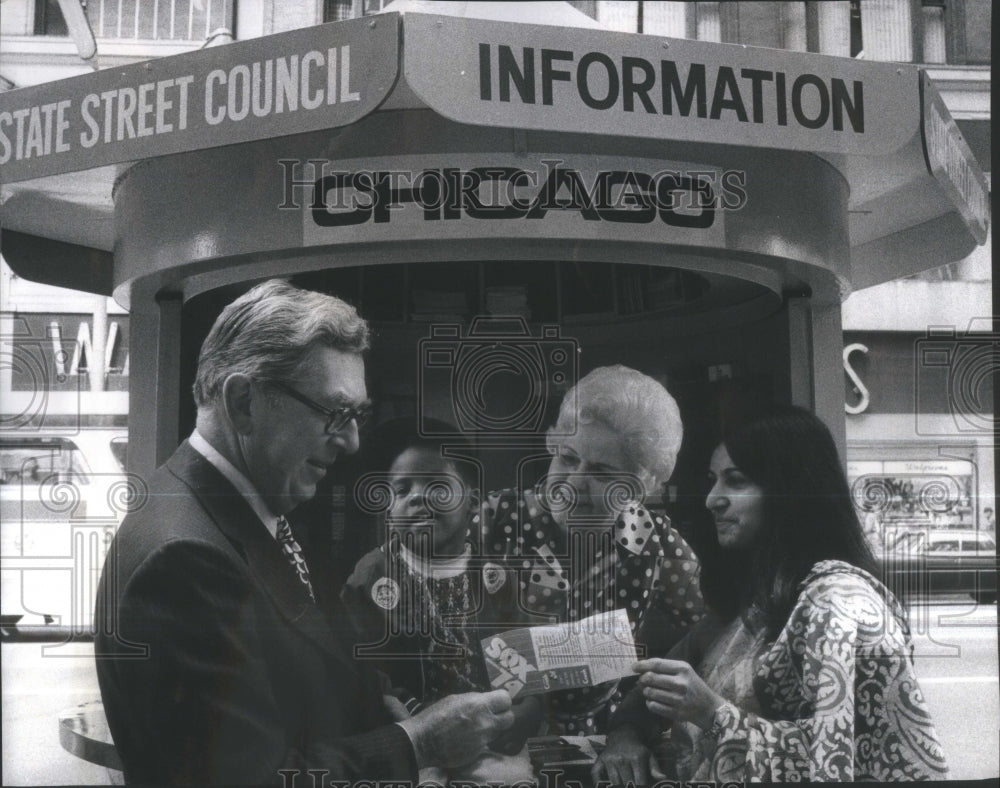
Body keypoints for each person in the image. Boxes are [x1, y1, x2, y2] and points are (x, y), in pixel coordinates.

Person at [94, 280, 513, 785]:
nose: (353, 442)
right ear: (244, 401)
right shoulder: (183, 559)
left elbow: (295, 666)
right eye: (335, 413)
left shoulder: (237, 509)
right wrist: (419, 742)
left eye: (358, 416)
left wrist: (368, 692)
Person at [595, 406, 948, 783]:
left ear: (792, 489)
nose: (712, 498)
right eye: (713, 480)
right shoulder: (753, 601)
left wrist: (712, 715)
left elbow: (854, 762)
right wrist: (623, 739)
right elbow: (652, 691)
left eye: (736, 480)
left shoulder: (839, 605)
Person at [481, 365, 703, 736]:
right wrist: (607, 650)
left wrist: (637, 720)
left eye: (602, 472)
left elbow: (712, 627)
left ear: (641, 485)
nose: (574, 483)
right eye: (567, 458)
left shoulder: (654, 538)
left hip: (599, 736)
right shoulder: (494, 518)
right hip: (492, 730)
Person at [340, 420, 540, 754]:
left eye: (436, 487)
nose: (417, 497)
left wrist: (522, 717)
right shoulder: (371, 575)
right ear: (389, 509)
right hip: (411, 744)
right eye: (402, 490)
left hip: (492, 742)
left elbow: (526, 675)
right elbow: (363, 675)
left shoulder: (498, 578)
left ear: (473, 503)